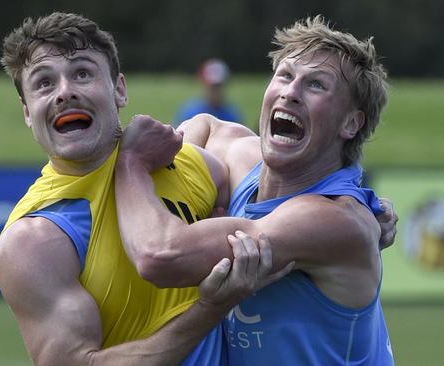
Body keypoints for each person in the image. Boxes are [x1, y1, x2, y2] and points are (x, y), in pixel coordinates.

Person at [0, 12, 292, 366]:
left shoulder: (188, 164)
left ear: (119, 89)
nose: (64, 92)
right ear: (28, 112)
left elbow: (245, 180)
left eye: (82, 73)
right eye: (44, 83)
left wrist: (356, 207)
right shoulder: (34, 239)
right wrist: (211, 307)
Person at [115, 15, 395, 365]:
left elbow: (159, 256)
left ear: (351, 123)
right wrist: (199, 191)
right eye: (285, 75)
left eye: (316, 85)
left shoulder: (334, 219)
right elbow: (206, 126)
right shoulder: (245, 163)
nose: (291, 92)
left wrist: (131, 164)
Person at [173, 58, 243, 127]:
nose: (216, 91)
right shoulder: (190, 113)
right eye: (212, 86)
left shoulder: (232, 114)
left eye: (219, 86)